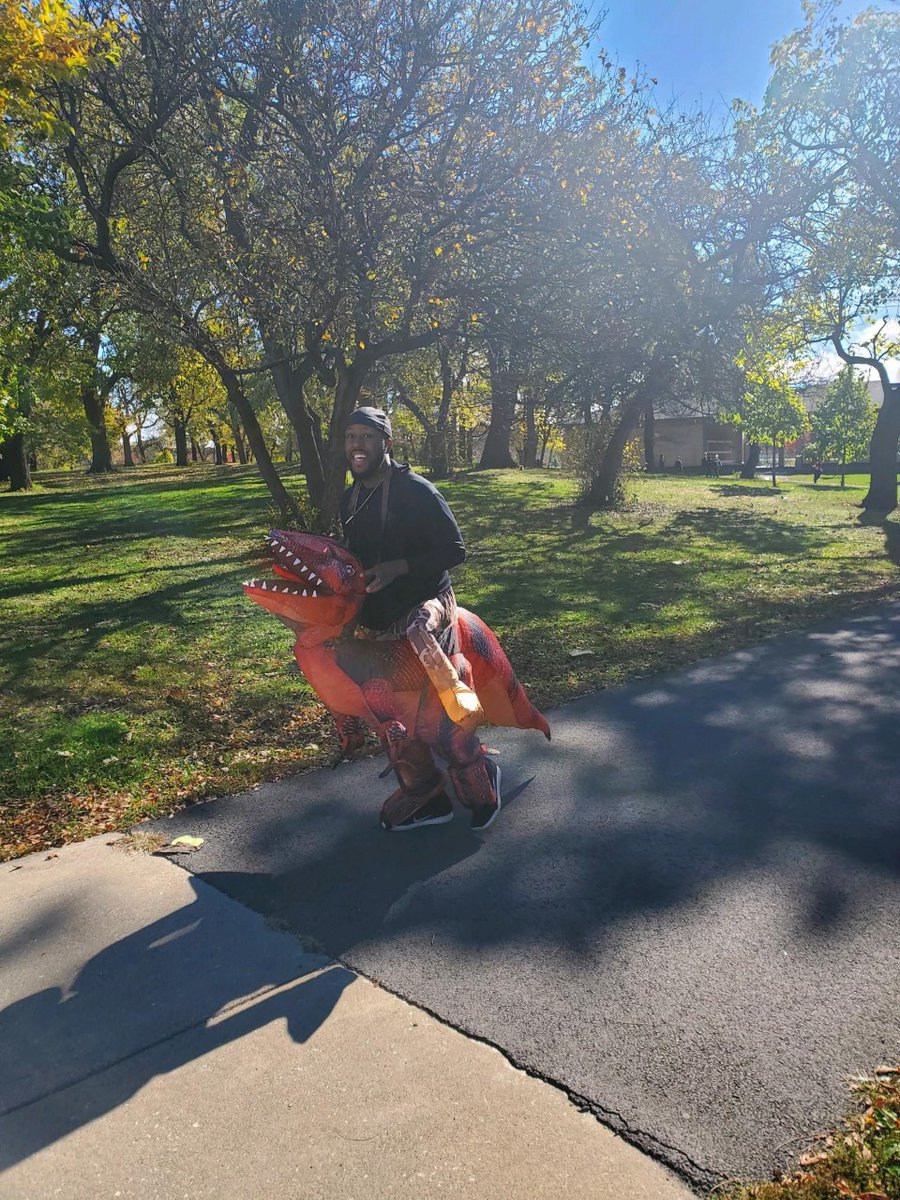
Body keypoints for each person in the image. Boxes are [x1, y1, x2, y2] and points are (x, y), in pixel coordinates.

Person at [340, 407, 500, 831]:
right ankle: (427, 794)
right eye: (351, 436)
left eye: (367, 437)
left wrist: (397, 568)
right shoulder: (351, 496)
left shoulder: (417, 490)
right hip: (376, 615)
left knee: (440, 719)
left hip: (426, 604)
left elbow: (454, 550)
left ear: (387, 443)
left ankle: (480, 776)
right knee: (389, 713)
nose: (357, 445)